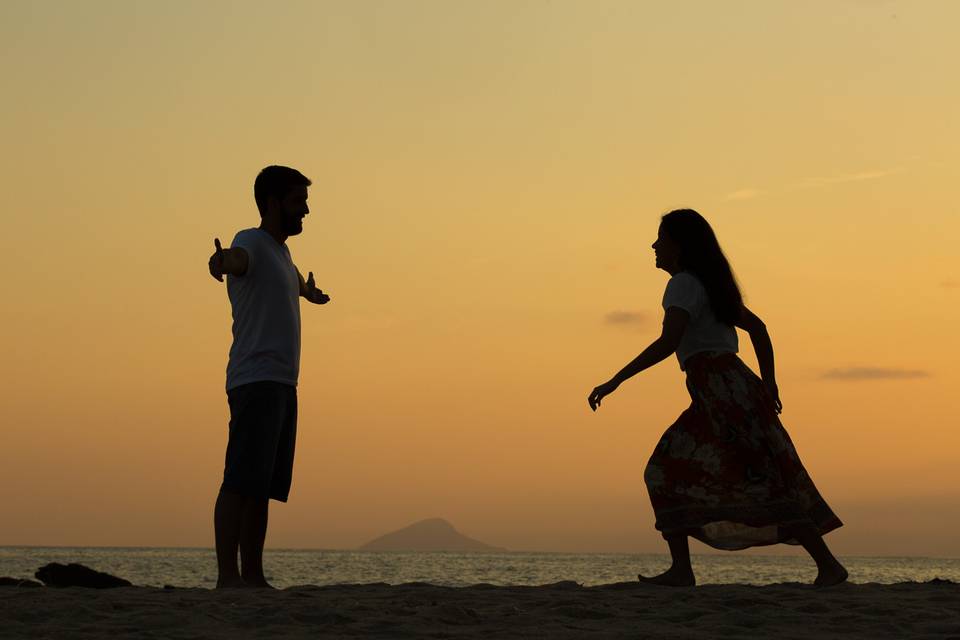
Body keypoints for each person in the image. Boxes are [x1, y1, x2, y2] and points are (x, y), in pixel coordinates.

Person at [588, 208, 847, 587]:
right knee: (759, 475)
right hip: (729, 388)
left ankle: (686, 570)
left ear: (679, 245)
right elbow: (758, 328)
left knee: (669, 470)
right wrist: (768, 383)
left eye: (661, 239)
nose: (654, 246)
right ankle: (823, 565)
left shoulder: (683, 285)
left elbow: (669, 342)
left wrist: (616, 380)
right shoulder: (708, 285)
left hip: (720, 391)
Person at [207, 165, 330, 588]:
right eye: (299, 202)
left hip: (281, 383)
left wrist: (309, 292)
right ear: (274, 203)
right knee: (239, 481)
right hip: (255, 380)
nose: (307, 211)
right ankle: (228, 577)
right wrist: (220, 261)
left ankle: (253, 577)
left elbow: (292, 282)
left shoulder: (281, 254)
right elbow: (236, 261)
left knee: (261, 488)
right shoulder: (251, 243)